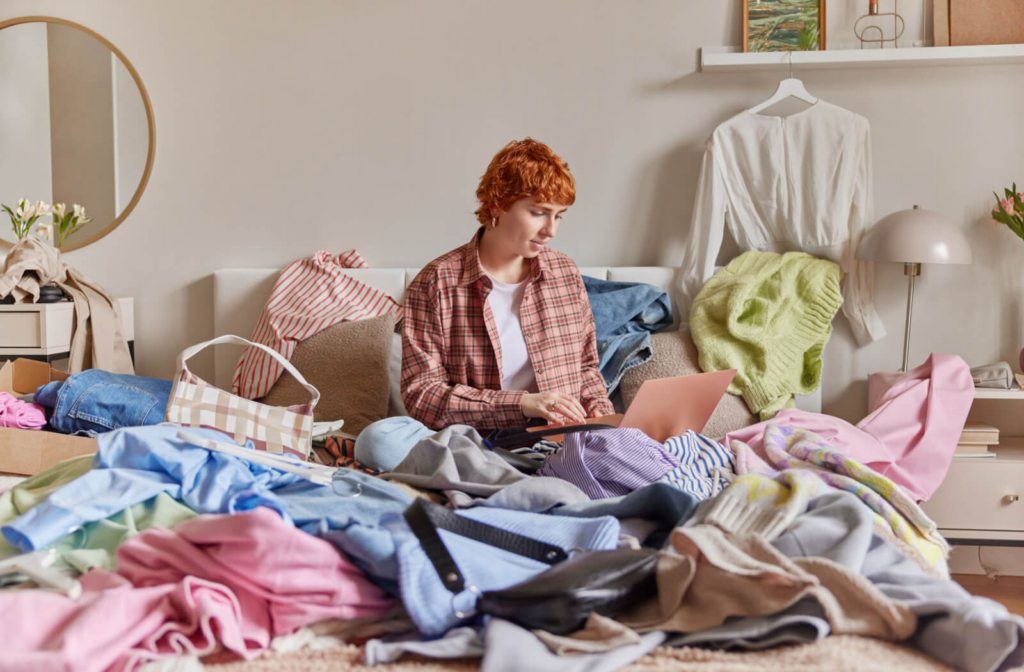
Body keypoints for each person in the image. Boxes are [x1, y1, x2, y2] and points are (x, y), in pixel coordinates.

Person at [355, 139, 614, 471]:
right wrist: (522, 404)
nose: (550, 230)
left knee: (652, 449)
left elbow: (586, 368)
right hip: (473, 444)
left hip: (562, 444)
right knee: (379, 441)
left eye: (559, 216)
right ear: (498, 205)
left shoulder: (565, 274)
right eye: (538, 213)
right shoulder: (436, 283)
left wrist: (603, 416)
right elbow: (423, 395)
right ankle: (527, 481)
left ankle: (523, 481)